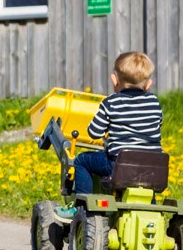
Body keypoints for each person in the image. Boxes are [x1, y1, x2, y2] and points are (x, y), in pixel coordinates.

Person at [58, 51, 162, 217]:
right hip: (154, 168)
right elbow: (156, 126)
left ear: (114, 79)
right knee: (144, 177)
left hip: (118, 166)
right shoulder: (154, 103)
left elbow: (93, 132)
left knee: (81, 161)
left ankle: (82, 206)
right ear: (148, 84)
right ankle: (151, 211)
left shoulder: (111, 102)